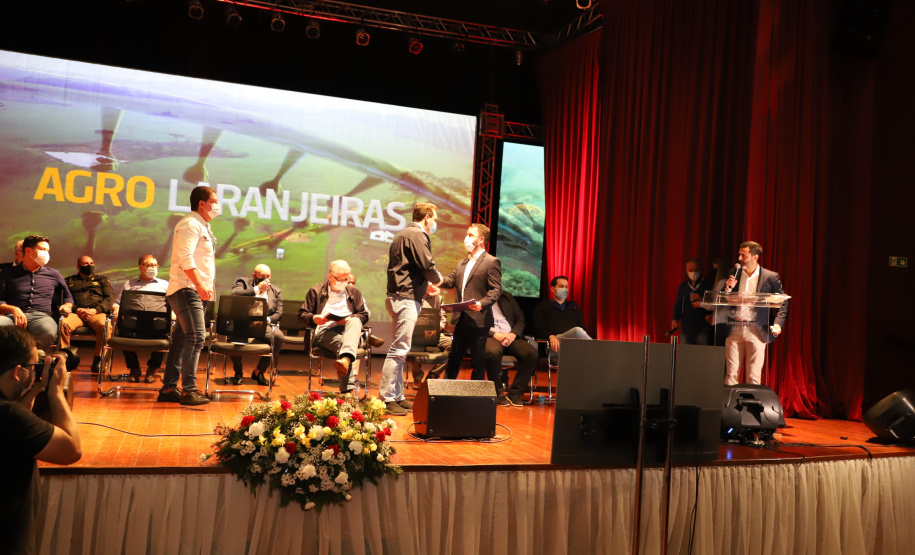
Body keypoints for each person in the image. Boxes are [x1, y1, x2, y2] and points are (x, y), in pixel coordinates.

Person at [0, 326, 82, 554]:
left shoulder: (10, 416)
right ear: (18, 372)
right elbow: (71, 450)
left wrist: (35, 389)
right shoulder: (9, 417)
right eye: (33, 366)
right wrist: (56, 391)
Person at [380, 202, 443, 416]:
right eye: (434, 219)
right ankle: (388, 398)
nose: (435, 223)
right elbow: (426, 265)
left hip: (402, 296)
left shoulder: (403, 234)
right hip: (405, 298)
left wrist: (425, 286)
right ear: (427, 218)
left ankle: (397, 396)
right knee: (399, 349)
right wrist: (438, 279)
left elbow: (411, 268)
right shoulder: (417, 235)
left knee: (402, 349)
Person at [159, 185, 219, 406]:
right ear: (202, 203)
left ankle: (168, 388)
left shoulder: (202, 225)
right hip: (187, 289)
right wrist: (200, 285)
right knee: (196, 338)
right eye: (214, 201)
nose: (217, 206)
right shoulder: (190, 224)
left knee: (181, 340)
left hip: (194, 290)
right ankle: (189, 391)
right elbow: (186, 258)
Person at [438, 223, 502, 386]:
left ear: (480, 239)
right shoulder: (462, 263)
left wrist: (482, 303)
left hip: (479, 319)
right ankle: (445, 391)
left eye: (470, 235)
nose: (466, 238)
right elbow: (451, 280)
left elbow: (496, 290)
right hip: (462, 318)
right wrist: (436, 280)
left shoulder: (491, 261)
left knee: (477, 360)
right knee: (454, 357)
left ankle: (475, 395)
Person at [721, 241, 789, 385]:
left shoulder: (770, 276)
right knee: (731, 374)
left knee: (753, 376)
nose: (739, 258)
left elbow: (783, 301)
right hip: (735, 326)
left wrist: (778, 324)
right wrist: (727, 289)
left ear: (755, 257)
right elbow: (724, 300)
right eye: (739, 254)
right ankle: (728, 406)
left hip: (756, 329)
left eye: (743, 255)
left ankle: (750, 406)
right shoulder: (734, 273)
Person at [298, 260, 370, 394]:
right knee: (346, 345)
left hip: (349, 331)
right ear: (330, 277)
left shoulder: (353, 292)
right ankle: (347, 392)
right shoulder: (316, 291)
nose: (345, 282)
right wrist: (314, 318)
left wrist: (347, 320)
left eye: (347, 278)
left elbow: (364, 314)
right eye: (341, 279)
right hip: (324, 332)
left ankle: (345, 362)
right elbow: (302, 315)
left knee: (354, 321)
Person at [0, 235, 73, 353]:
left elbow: (68, 296)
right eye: (43, 250)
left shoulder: (54, 274)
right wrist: (13, 309)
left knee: (48, 331)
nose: (46, 254)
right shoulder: (7, 273)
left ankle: (36, 363)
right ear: (28, 251)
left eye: (47, 251)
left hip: (42, 316)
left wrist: (68, 305)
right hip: (12, 317)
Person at [113, 254, 169, 383]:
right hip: (134, 323)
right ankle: (134, 368)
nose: (153, 268)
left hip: (157, 322)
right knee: (123, 330)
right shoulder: (129, 284)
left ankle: (152, 369)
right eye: (150, 265)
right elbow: (117, 302)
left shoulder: (165, 285)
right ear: (141, 267)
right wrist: (116, 309)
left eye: (155, 265)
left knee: (164, 332)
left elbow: (173, 304)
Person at [228, 264, 284, 386]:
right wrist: (257, 289)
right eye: (262, 276)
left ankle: (259, 371)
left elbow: (279, 312)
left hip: (263, 324)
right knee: (233, 339)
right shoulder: (243, 282)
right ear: (254, 276)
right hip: (242, 323)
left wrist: (267, 320)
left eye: (268, 276)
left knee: (278, 337)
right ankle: (238, 372)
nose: (265, 279)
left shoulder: (275, 291)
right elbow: (234, 294)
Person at [59, 255, 115, 373]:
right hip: (76, 312)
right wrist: (77, 309)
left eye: (91, 263)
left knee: (105, 326)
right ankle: (65, 359)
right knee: (63, 323)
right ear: (78, 266)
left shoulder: (102, 280)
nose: (89, 266)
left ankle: (99, 361)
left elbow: (110, 299)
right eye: (85, 264)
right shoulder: (69, 281)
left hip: (96, 312)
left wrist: (96, 310)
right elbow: (62, 299)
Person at [485, 290, 538, 407]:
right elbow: (474, 322)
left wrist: (513, 334)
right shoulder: (478, 297)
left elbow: (520, 319)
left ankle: (515, 393)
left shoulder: (506, 296)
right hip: (491, 336)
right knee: (492, 353)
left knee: (531, 354)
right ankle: (498, 393)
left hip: (510, 336)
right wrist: (494, 334)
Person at [533, 275, 592, 362]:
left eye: (566, 287)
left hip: (574, 346)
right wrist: (550, 336)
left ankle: (595, 350)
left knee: (579, 331)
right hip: (554, 346)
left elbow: (583, 329)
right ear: (552, 289)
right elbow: (538, 330)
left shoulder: (573, 306)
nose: (564, 289)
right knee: (577, 331)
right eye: (561, 286)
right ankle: (596, 349)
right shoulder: (543, 307)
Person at [409, 292, 452, 388]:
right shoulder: (412, 296)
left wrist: (439, 329)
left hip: (434, 333)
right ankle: (417, 376)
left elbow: (443, 318)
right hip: (415, 333)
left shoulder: (437, 298)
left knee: (454, 346)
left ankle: (432, 375)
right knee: (408, 343)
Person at [671, 258, 714, 345]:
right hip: (686, 327)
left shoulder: (709, 284)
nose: (693, 273)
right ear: (686, 271)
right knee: (685, 353)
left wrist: (701, 298)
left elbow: (713, 304)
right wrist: (675, 319)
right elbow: (678, 305)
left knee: (702, 353)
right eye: (691, 270)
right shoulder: (683, 287)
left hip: (703, 327)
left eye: (696, 270)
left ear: (700, 270)